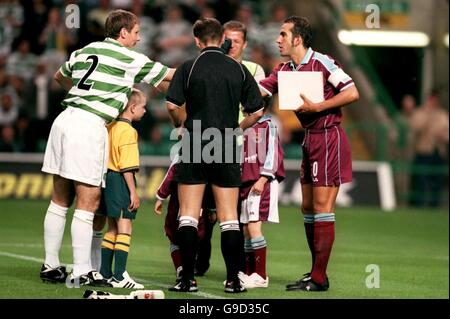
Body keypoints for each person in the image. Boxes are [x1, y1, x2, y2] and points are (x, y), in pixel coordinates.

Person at [39, 9, 174, 285]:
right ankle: (81, 271)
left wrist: (85, 95)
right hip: (89, 126)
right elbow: (169, 74)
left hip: (64, 120)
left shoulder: (85, 50)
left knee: (59, 199)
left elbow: (59, 76)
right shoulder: (128, 57)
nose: (139, 38)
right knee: (89, 201)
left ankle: (51, 265)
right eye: (136, 32)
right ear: (123, 32)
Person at [259, 16, 359, 292]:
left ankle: (318, 277)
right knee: (307, 208)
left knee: (322, 208)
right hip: (309, 140)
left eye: (283, 34)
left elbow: (352, 92)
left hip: (329, 137)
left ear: (297, 39)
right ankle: (317, 273)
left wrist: (319, 106)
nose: (278, 39)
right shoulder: (284, 70)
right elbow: (261, 90)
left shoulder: (323, 62)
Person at [165, 17, 264, 293]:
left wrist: (181, 124)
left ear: (197, 41)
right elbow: (257, 111)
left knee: (188, 215)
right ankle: (233, 281)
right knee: (229, 217)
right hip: (226, 143)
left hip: (196, 141)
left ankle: (187, 280)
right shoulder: (239, 68)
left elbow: (172, 104)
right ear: (222, 39)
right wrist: (237, 128)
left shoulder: (189, 66)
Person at [193, 20, 268, 276]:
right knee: (204, 211)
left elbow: (256, 107)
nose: (232, 44)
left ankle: (235, 271)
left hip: (239, 147)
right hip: (208, 142)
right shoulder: (211, 65)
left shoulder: (254, 69)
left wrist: (236, 129)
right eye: (228, 39)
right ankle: (200, 259)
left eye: (237, 40)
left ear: (245, 44)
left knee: (232, 213)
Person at [95, 88, 146, 289]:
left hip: (106, 179)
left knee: (112, 228)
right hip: (119, 179)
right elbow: (127, 166)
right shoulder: (128, 131)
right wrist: (133, 191)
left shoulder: (110, 126)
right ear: (132, 107)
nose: (145, 111)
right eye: (143, 107)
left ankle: (105, 273)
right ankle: (119, 276)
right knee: (125, 226)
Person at [237, 100, 285, 289]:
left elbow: (274, 154)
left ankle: (261, 275)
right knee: (247, 230)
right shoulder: (247, 128)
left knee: (254, 228)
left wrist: (263, 179)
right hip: (246, 183)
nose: (242, 107)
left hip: (260, 182)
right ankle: (249, 274)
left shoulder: (268, 125)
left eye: (245, 103)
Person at [154, 154, 215, 282]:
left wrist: (160, 197)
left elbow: (170, 176)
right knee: (196, 237)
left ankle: (182, 269)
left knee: (175, 239)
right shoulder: (214, 153)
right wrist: (213, 208)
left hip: (180, 205)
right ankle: (192, 269)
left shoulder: (184, 151)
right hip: (201, 207)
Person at [408, 89, 449, 207]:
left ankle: (434, 204)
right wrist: (428, 116)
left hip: (438, 152)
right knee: (421, 179)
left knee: (437, 179)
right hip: (424, 151)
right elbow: (415, 127)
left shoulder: (442, 114)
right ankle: (419, 204)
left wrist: (444, 136)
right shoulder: (420, 113)